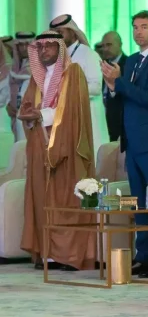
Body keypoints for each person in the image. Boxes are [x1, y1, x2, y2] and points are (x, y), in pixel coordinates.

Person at [101, 10, 148, 279]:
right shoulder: (131, 60)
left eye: (144, 27)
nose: (138, 32)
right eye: (134, 27)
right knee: (139, 203)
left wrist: (119, 82)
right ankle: (142, 257)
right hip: (132, 140)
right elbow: (123, 98)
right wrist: (112, 86)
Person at [19, 31, 96, 270]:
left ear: (60, 48)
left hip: (66, 144)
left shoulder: (73, 73)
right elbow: (28, 105)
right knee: (42, 197)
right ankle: (48, 255)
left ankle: (69, 255)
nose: (44, 51)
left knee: (65, 197)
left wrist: (41, 114)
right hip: (39, 143)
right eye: (40, 48)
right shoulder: (37, 78)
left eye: (49, 47)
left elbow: (71, 109)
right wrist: (29, 115)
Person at [49, 14, 109, 153]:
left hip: (88, 118)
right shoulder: (58, 58)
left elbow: (96, 87)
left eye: (60, 33)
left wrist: (68, 90)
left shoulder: (88, 54)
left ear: (72, 32)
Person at [100, 31, 128, 142]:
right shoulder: (102, 65)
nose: (105, 49)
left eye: (109, 45)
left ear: (120, 44)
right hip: (103, 118)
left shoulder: (129, 64)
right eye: (103, 46)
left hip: (121, 120)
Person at [7, 32, 34, 141]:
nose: (23, 49)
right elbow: (9, 88)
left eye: (27, 45)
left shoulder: (38, 65)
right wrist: (9, 105)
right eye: (20, 45)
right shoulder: (15, 66)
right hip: (14, 115)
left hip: (31, 117)